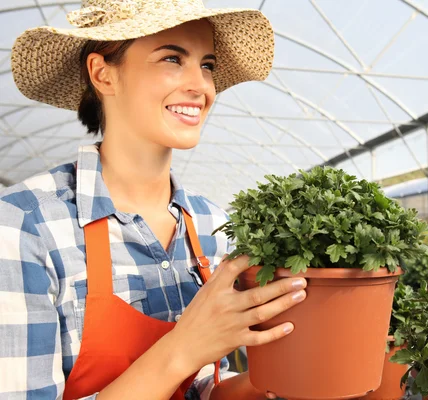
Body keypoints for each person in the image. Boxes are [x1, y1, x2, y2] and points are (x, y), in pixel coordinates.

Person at [0, 0, 307, 398]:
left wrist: (286, 376)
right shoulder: (26, 224)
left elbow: (202, 387)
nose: (201, 86)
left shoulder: (210, 223)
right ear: (103, 74)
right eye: (172, 59)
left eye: (207, 65)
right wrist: (184, 347)